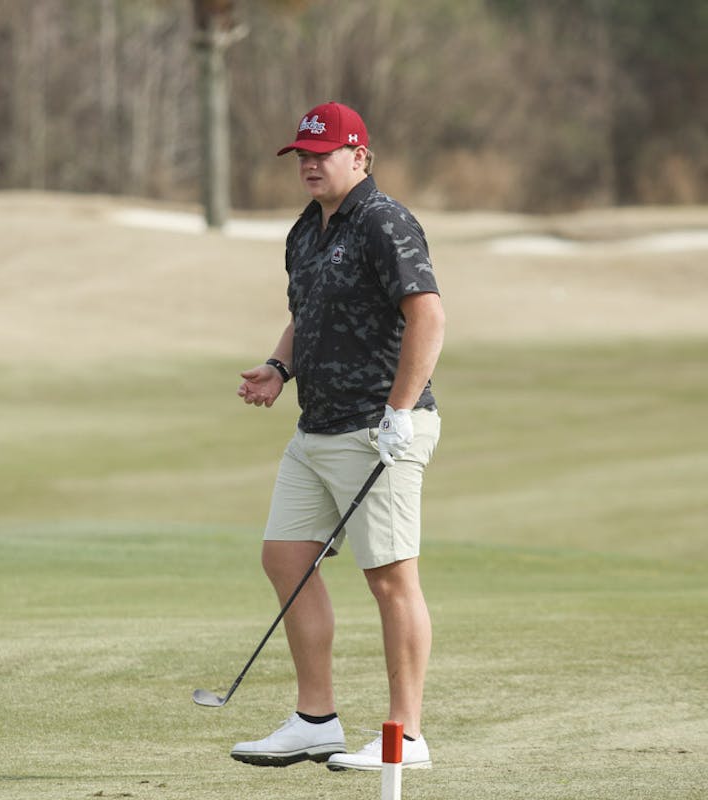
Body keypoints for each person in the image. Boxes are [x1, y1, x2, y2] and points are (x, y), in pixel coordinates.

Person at [229, 101, 445, 773]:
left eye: (323, 153)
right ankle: (315, 720)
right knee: (285, 557)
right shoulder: (305, 231)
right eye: (302, 154)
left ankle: (406, 737)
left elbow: (428, 316)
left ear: (360, 155)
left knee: (389, 578)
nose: (310, 164)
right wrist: (278, 366)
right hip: (317, 426)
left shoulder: (385, 222)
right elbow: (308, 313)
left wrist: (400, 411)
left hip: (378, 429)